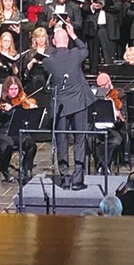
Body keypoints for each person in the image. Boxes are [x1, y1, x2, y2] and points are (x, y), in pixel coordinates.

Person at [43, 23, 96, 191]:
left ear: (53, 41)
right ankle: (78, 180)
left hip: (60, 105)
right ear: (67, 40)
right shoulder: (75, 54)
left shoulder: (48, 61)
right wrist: (74, 35)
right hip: (79, 103)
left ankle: (65, 178)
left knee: (61, 141)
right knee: (80, 140)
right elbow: (85, 49)